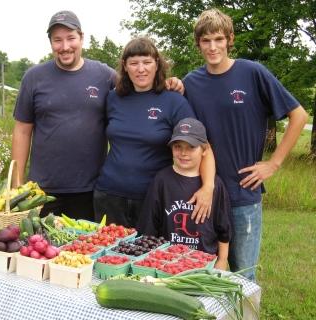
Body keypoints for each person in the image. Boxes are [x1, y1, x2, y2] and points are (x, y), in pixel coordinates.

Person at [12, 11, 184, 220]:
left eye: (71, 38)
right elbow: (22, 131)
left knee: (82, 250)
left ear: (81, 38)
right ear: (50, 43)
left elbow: (139, 84)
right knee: (38, 250)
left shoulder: (104, 75)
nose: (65, 46)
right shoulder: (34, 77)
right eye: (58, 40)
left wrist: (168, 83)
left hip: (90, 189)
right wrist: (17, 183)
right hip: (41, 190)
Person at [183, 8, 309, 280]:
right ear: (198, 44)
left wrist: (274, 164)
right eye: (206, 41)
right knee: (200, 274)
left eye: (218, 39)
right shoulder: (191, 83)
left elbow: (298, 115)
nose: (213, 46)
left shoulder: (253, 72)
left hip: (243, 193)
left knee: (243, 277)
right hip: (204, 195)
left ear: (230, 39)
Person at [94, 37, 216, 228]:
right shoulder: (113, 98)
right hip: (109, 195)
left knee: (148, 256)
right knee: (107, 256)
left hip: (154, 196)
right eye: (133, 63)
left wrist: (208, 188)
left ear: (157, 64)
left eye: (147, 62)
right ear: (125, 67)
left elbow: (203, 147)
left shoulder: (174, 101)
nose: (140, 69)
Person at [137, 118, 231, 270]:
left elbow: (224, 228)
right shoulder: (162, 180)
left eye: (191, 147)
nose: (183, 153)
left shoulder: (214, 185)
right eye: (177, 146)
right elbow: (150, 226)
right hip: (167, 263)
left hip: (204, 263)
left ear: (205, 150)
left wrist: (222, 260)